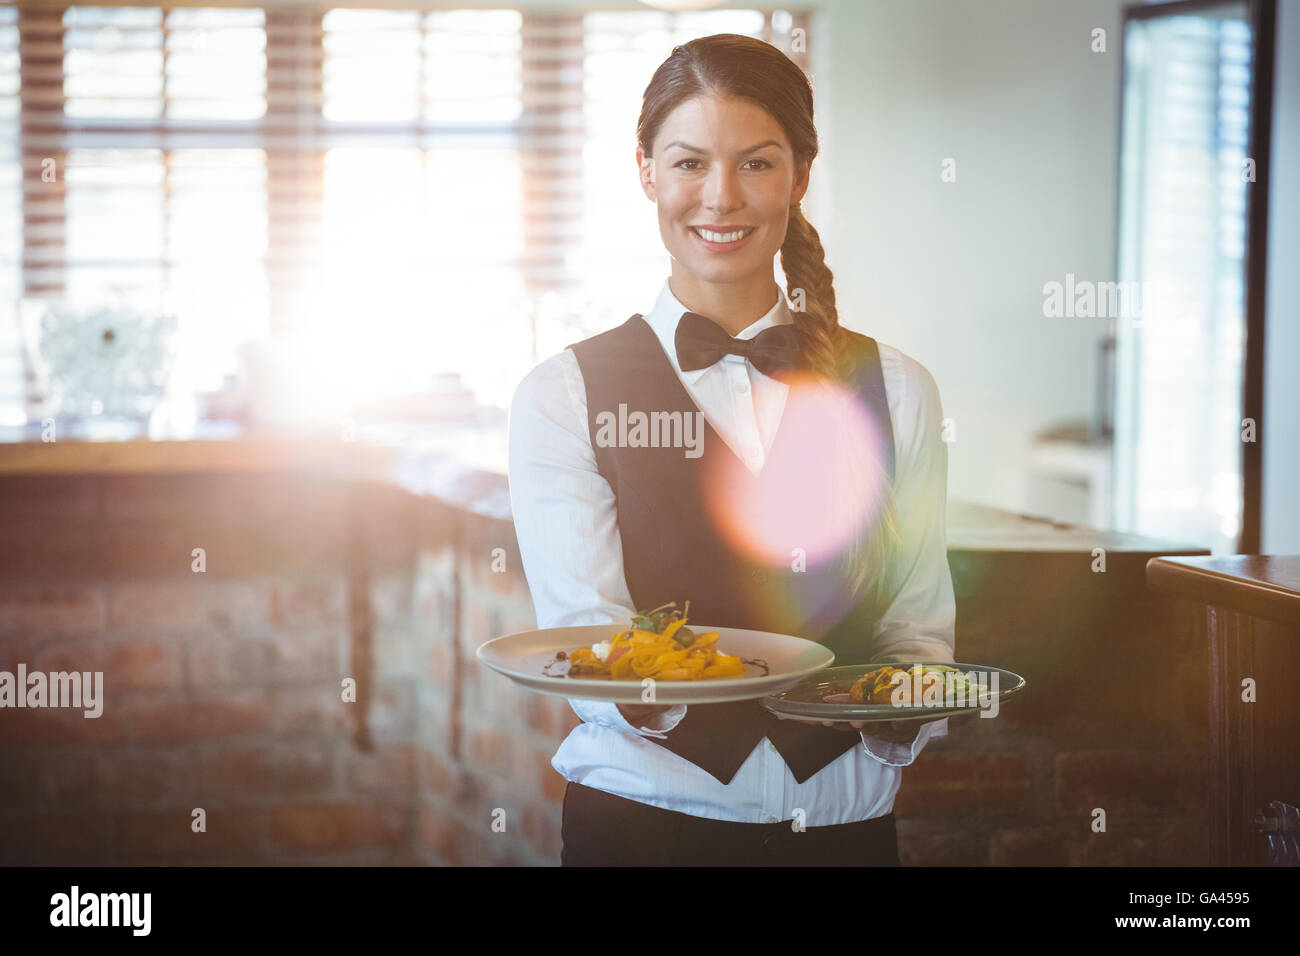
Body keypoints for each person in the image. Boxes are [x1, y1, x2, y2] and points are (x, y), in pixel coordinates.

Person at [508, 33, 954, 866]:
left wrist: (908, 700)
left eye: (755, 163)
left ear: (801, 175)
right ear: (645, 172)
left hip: (844, 829)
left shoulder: (897, 389)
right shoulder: (560, 395)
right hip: (642, 824)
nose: (720, 198)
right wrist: (653, 693)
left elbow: (916, 627)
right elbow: (586, 636)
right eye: (687, 164)